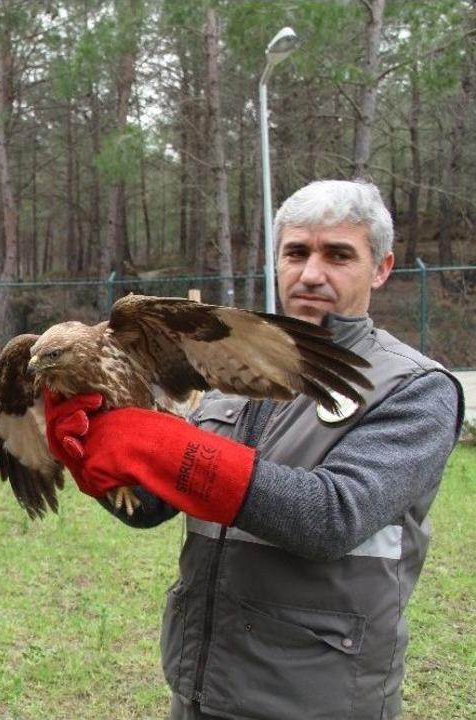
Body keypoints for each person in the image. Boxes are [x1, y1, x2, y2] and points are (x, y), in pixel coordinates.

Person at [45, 180, 464, 720]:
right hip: (202, 683)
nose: (312, 273)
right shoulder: (228, 374)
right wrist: (98, 459)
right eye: (296, 252)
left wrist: (174, 450)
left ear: (382, 268)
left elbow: (333, 517)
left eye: (339, 255)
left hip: (318, 698)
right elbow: (155, 509)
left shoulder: (416, 387)